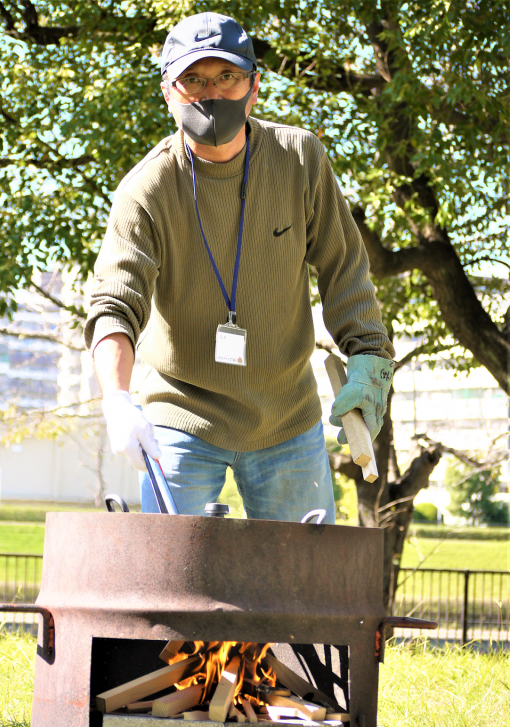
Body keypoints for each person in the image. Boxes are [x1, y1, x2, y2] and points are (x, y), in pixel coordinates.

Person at [85, 12, 395, 523]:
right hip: (181, 415)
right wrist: (117, 400)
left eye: (226, 77)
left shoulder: (301, 159)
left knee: (299, 588)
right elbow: (115, 305)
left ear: (254, 87)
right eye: (193, 80)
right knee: (169, 588)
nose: (210, 94)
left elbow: (345, 269)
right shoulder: (146, 190)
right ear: (169, 91)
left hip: (287, 417)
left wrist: (368, 356)